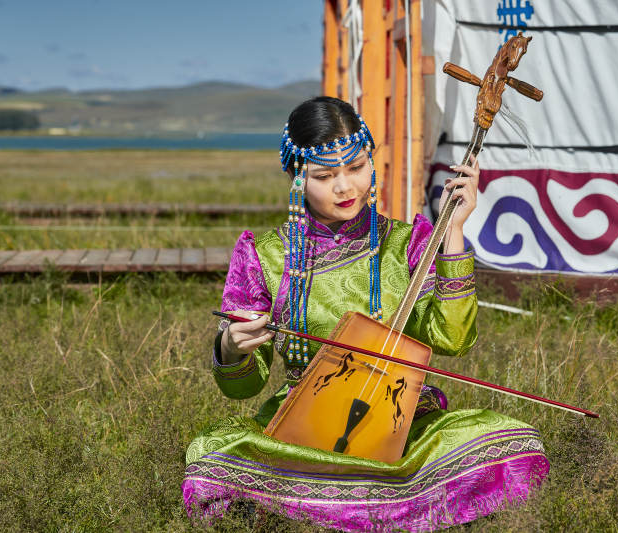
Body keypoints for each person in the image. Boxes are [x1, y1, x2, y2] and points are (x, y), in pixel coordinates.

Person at [181, 96, 548, 531]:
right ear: (297, 178)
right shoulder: (264, 256)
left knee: (518, 446)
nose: (344, 187)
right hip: (304, 430)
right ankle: (395, 501)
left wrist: (454, 232)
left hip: (401, 421)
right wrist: (230, 345)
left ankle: (325, 506)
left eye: (355, 168)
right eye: (324, 176)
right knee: (208, 465)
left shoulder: (409, 242)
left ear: (371, 163)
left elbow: (453, 339)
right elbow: (244, 387)